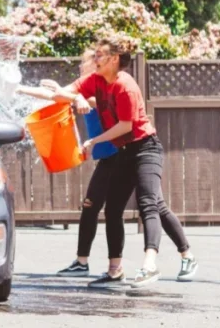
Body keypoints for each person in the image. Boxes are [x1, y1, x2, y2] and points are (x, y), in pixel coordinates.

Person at [51, 38, 198, 288]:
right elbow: (61, 93)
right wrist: (75, 98)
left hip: (146, 149)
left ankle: (152, 265)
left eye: (99, 55)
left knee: (149, 205)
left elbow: (125, 127)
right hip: (124, 153)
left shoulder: (125, 85)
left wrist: (94, 140)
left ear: (114, 59)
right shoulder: (96, 80)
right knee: (113, 209)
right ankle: (115, 270)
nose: (94, 60)